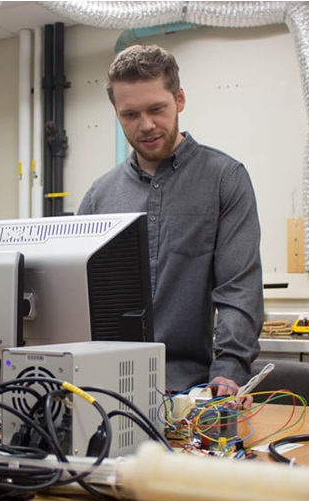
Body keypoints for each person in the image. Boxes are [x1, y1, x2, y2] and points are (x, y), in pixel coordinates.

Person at [78, 45, 263, 399]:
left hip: (190, 389)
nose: (145, 126)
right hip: (105, 389)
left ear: (179, 99)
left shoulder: (225, 179)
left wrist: (229, 369)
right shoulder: (99, 196)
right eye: (130, 115)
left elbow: (239, 290)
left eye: (157, 109)